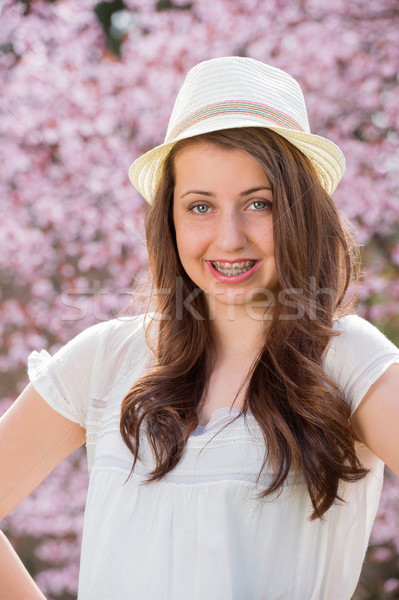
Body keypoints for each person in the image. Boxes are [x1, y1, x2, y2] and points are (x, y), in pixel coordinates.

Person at [1, 56, 399, 600]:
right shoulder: (106, 358)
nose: (229, 238)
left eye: (259, 203)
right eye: (201, 206)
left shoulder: (348, 361)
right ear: (170, 219)